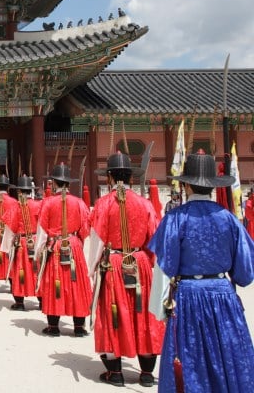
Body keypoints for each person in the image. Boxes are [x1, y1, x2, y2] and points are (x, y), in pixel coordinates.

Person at [148, 150, 254, 392]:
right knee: (227, 359)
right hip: (223, 298)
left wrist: (160, 309)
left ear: (186, 185)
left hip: (188, 298)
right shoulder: (229, 219)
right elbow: (245, 274)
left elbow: (164, 267)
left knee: (191, 362)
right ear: (214, 186)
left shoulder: (175, 219)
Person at [88, 153, 164, 387]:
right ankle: (147, 373)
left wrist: (93, 268)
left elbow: (97, 240)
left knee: (112, 313)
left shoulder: (103, 204)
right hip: (139, 262)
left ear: (109, 177)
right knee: (143, 313)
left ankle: (115, 372)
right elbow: (154, 237)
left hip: (113, 263)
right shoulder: (145, 203)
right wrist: (147, 260)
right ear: (131, 177)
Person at [35, 163, 92, 337]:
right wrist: (78, 243)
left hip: (55, 245)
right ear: (68, 183)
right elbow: (86, 229)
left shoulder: (48, 203)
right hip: (74, 245)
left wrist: (39, 253)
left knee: (55, 283)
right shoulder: (79, 203)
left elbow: (42, 231)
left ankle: (53, 326)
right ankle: (79, 326)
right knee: (77, 284)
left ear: (53, 182)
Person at [2, 175, 42, 311]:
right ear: (31, 190)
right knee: (38, 269)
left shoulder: (14, 208)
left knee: (20, 270)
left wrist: (6, 248)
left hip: (21, 243)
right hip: (36, 240)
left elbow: (9, 231)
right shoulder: (39, 205)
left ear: (19, 191)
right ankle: (42, 300)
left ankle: (19, 302)